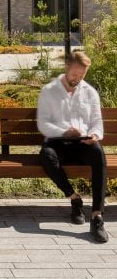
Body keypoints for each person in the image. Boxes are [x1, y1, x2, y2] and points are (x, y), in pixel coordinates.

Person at [36, 51, 108, 243]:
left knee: (98, 153)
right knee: (46, 155)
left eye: (82, 76)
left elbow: (97, 122)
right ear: (66, 68)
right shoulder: (49, 90)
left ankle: (97, 216)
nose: (78, 79)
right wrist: (64, 131)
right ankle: (74, 198)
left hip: (82, 143)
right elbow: (43, 124)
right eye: (75, 74)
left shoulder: (90, 92)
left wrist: (95, 135)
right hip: (57, 142)